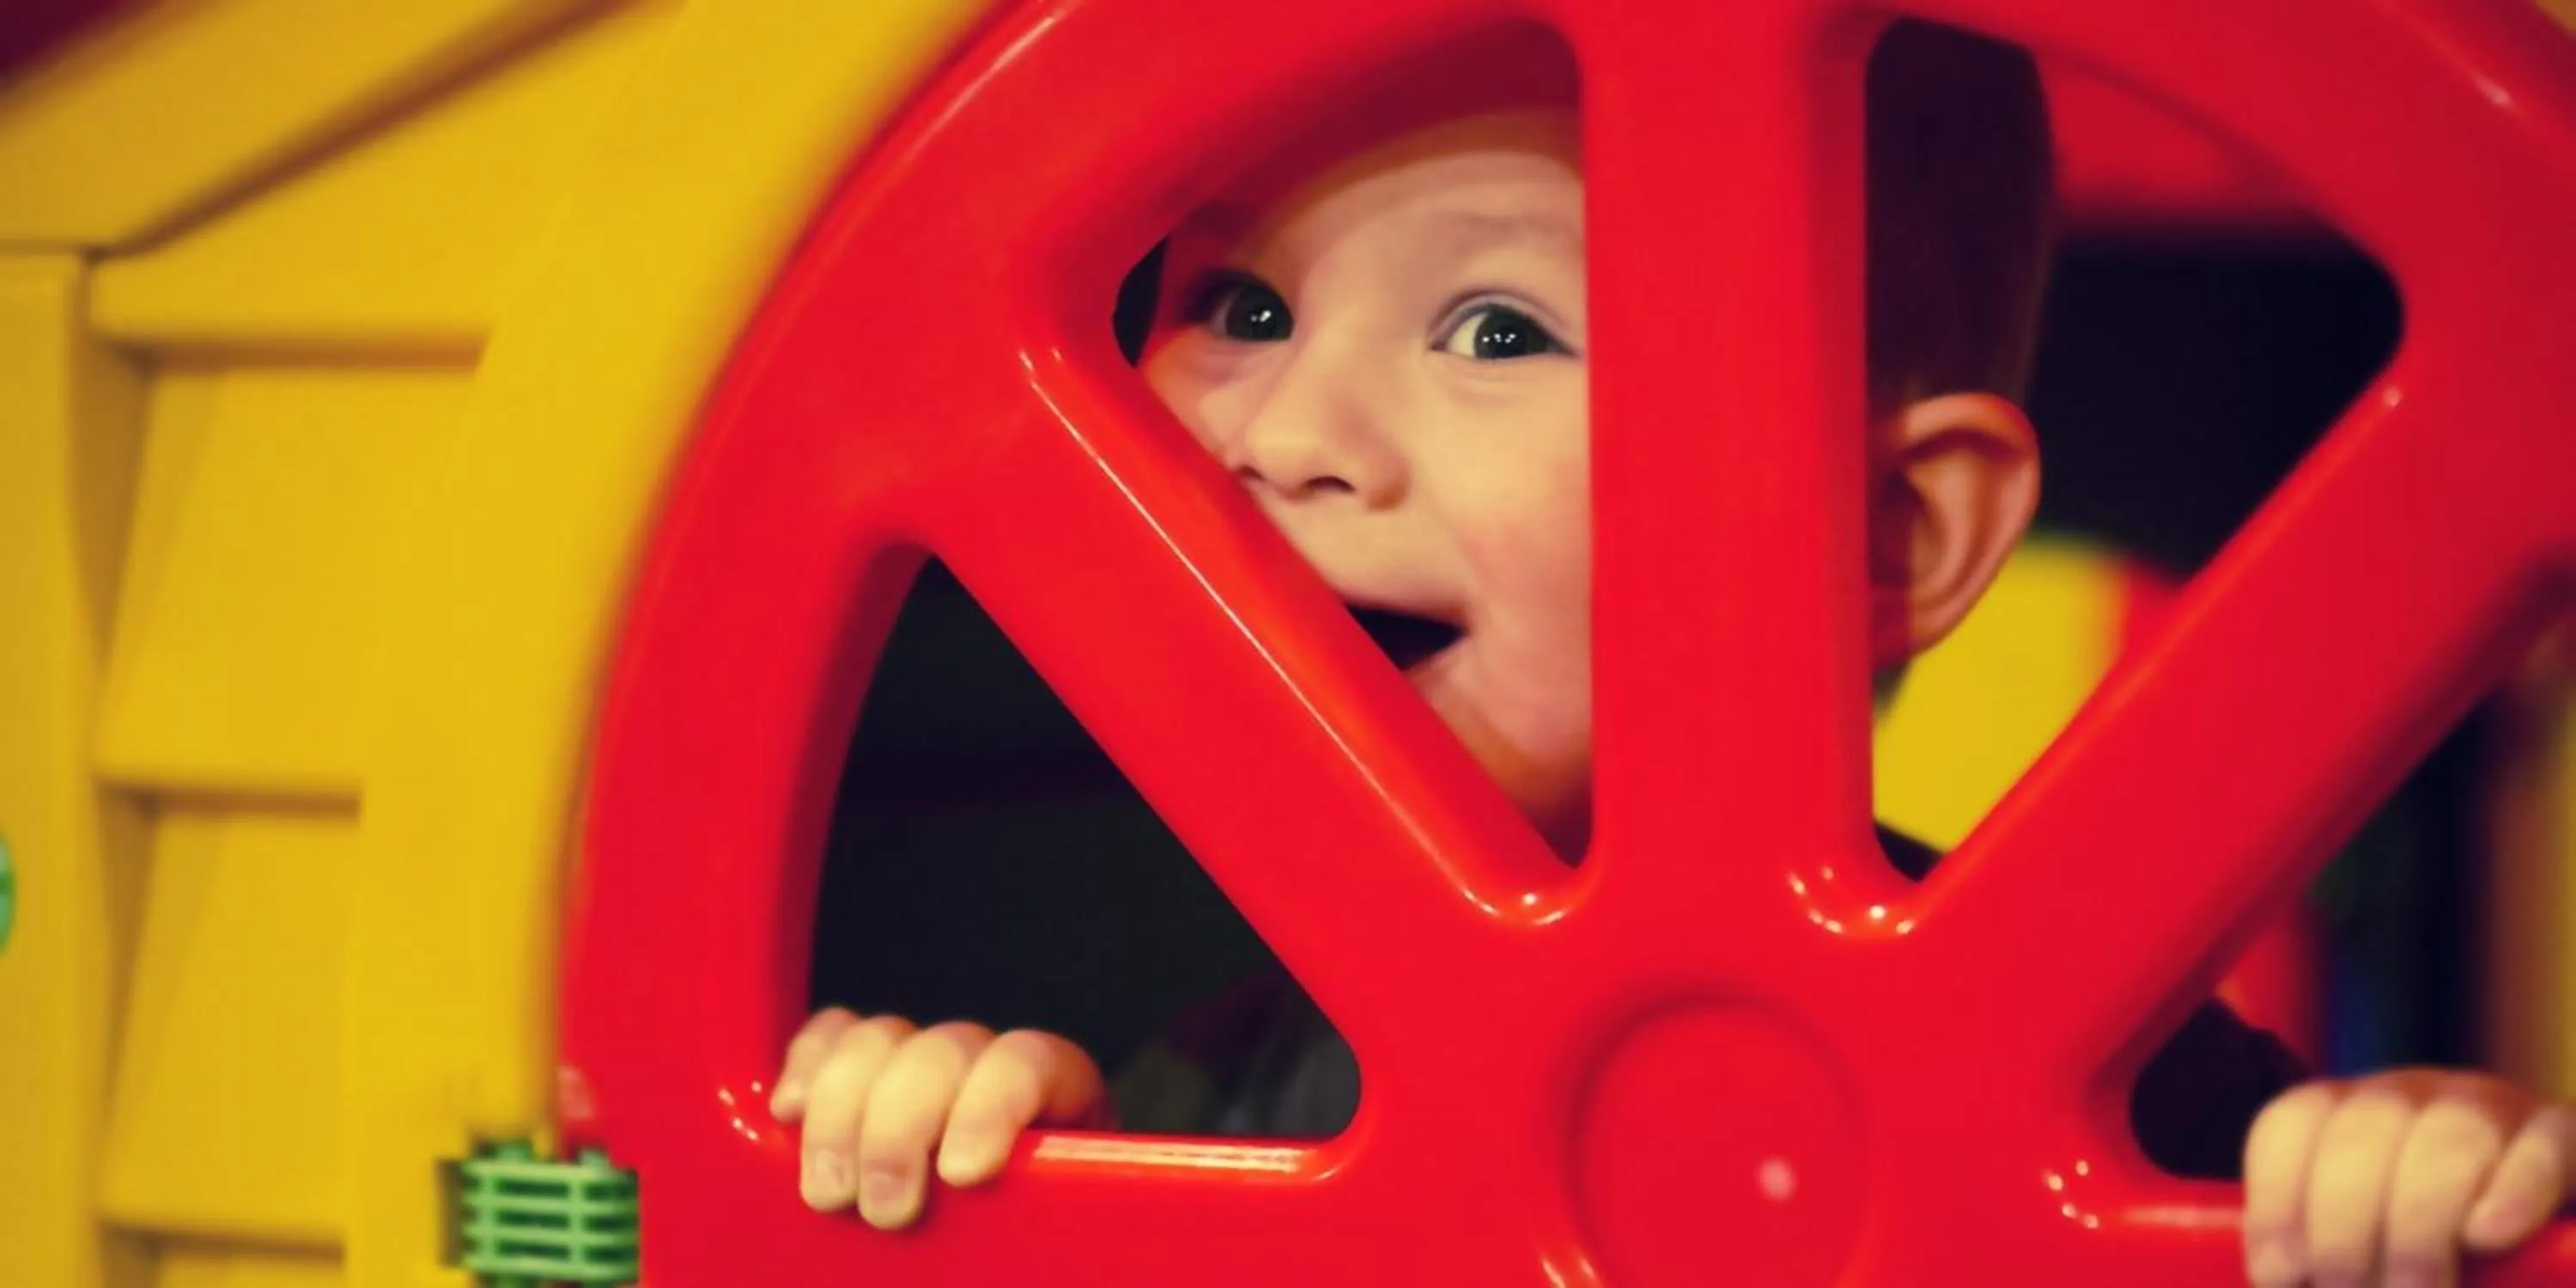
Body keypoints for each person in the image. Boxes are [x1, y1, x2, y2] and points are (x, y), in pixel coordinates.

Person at [770, 21, 2572, 1285]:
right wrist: (978, 1162)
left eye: (1494, 329)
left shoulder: (2107, 1088)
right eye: (1240, 307)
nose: (1290, 431)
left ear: (1890, 534)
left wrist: (2405, 1179)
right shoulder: (1225, 1095)